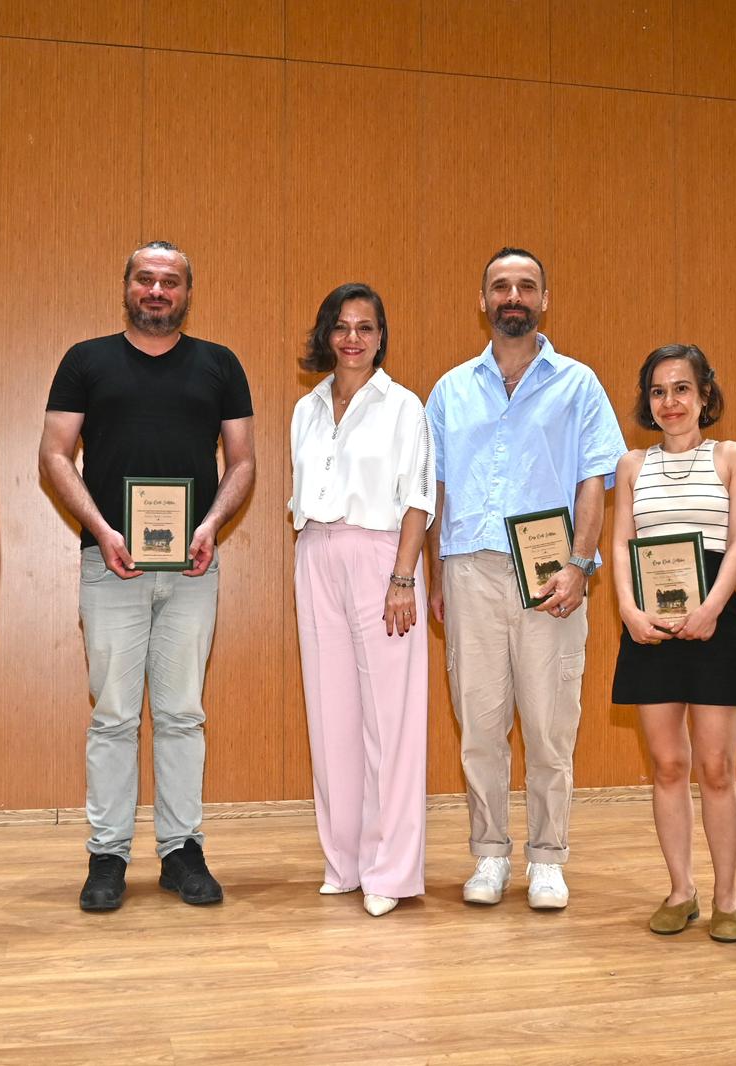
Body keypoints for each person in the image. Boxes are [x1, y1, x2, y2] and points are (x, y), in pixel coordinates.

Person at [39, 240, 255, 912]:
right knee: (113, 717)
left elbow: (243, 462)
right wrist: (103, 531)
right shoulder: (85, 361)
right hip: (111, 568)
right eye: (145, 280)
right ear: (126, 285)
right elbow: (53, 453)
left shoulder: (220, 365)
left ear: (188, 291)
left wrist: (210, 525)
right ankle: (107, 856)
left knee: (184, 714)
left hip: (192, 568)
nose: (157, 291)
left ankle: (181, 851)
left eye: (170, 282)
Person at [425, 247, 625, 910]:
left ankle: (546, 858)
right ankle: (488, 856)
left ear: (544, 299)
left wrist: (580, 564)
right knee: (479, 724)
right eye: (501, 286)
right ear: (482, 302)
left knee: (548, 724)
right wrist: (435, 577)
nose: (514, 296)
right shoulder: (451, 390)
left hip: (551, 575)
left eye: (527, 286)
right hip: (469, 570)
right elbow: (436, 492)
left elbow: (593, 482)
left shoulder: (579, 384)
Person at [290, 283, 435, 917]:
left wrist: (404, 578)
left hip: (383, 559)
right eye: (343, 326)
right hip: (315, 552)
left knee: (392, 721)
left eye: (366, 328)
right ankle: (344, 861)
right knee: (330, 715)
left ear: (381, 336)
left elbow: (417, 499)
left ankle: (391, 871)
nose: (354, 338)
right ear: (328, 334)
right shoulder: (307, 408)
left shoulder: (404, 406)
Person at [609, 345, 736, 943]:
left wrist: (712, 608)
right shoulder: (630, 465)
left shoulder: (732, 457)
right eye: (658, 392)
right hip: (649, 626)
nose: (670, 402)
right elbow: (621, 544)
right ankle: (681, 891)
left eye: (681, 389)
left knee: (717, 769)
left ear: (704, 395)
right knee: (669, 765)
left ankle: (726, 898)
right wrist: (627, 609)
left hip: (715, 623)